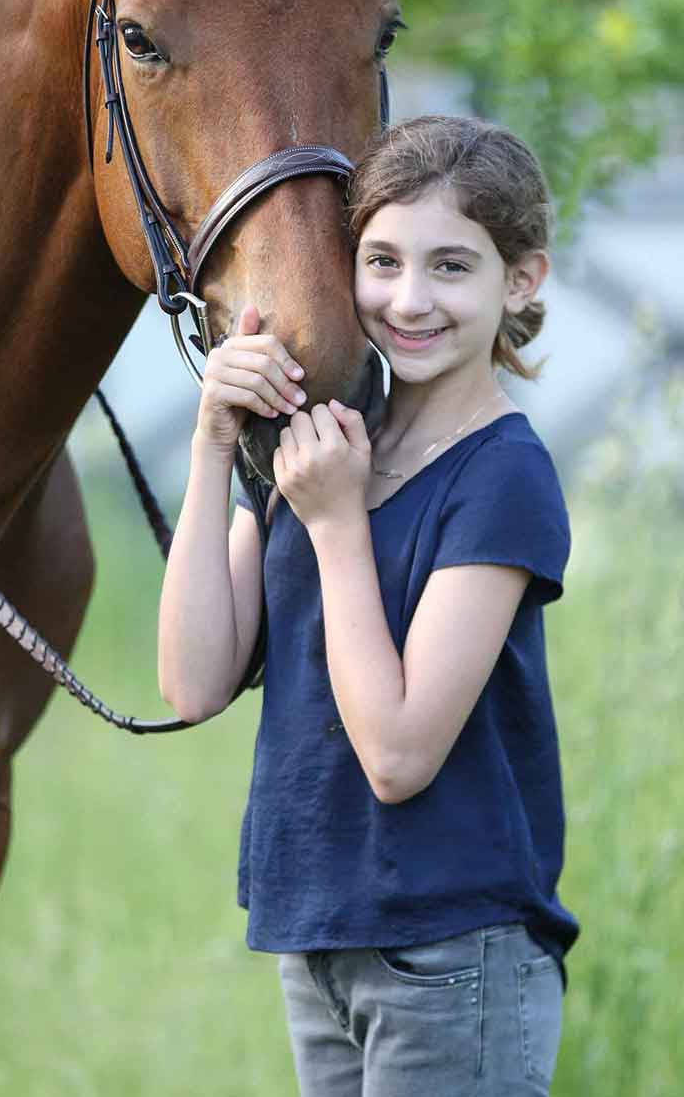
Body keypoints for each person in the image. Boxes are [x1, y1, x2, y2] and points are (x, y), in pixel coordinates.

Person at [157, 114, 574, 1095]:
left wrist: (338, 529)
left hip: (450, 951)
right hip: (320, 942)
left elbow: (395, 755)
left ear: (520, 281)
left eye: (449, 268)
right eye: (379, 261)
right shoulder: (321, 447)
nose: (406, 299)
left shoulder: (501, 476)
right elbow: (190, 681)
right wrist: (214, 444)